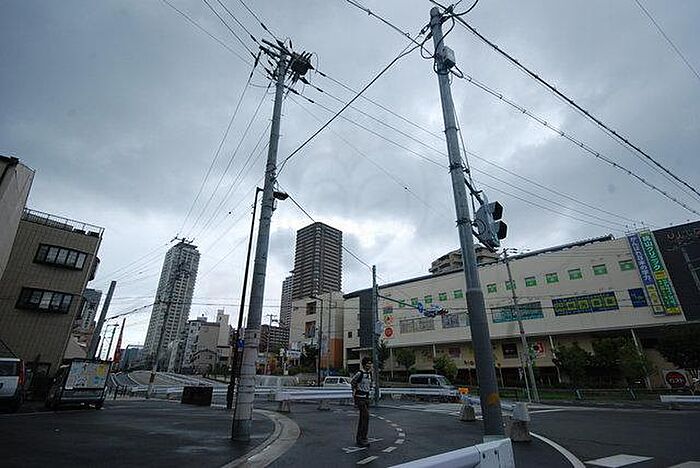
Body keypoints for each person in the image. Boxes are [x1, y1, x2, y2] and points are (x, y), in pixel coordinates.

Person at [351, 357, 373, 447]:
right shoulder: (360, 373)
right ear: (363, 364)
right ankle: (362, 439)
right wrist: (355, 391)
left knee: (363, 419)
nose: (369, 365)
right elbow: (353, 382)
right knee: (365, 417)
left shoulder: (369, 374)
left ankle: (361, 438)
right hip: (360, 398)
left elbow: (370, 385)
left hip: (367, 398)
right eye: (368, 363)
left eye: (370, 363)